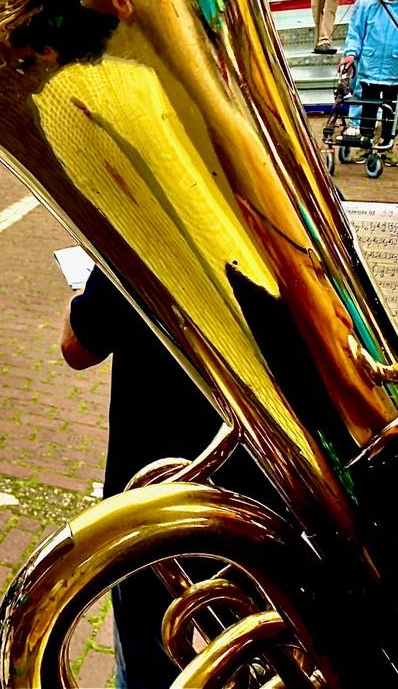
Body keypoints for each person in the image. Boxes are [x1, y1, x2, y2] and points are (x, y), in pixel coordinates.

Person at [61, 266, 276, 689]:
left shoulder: (133, 230)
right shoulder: (300, 219)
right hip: (264, 497)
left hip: (153, 498)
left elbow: (76, 348)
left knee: (146, 663)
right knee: (263, 651)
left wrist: (89, 278)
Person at [341, 0, 398, 163]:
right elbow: (355, 33)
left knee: (392, 109)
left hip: (395, 68)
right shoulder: (366, 4)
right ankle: (365, 143)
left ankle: (386, 146)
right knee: (369, 107)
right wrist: (350, 54)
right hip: (370, 65)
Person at [341, 0, 384, 135]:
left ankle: (381, 136)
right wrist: (351, 53)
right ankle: (355, 126)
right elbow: (355, 31)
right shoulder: (363, 2)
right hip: (367, 59)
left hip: (390, 60)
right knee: (360, 93)